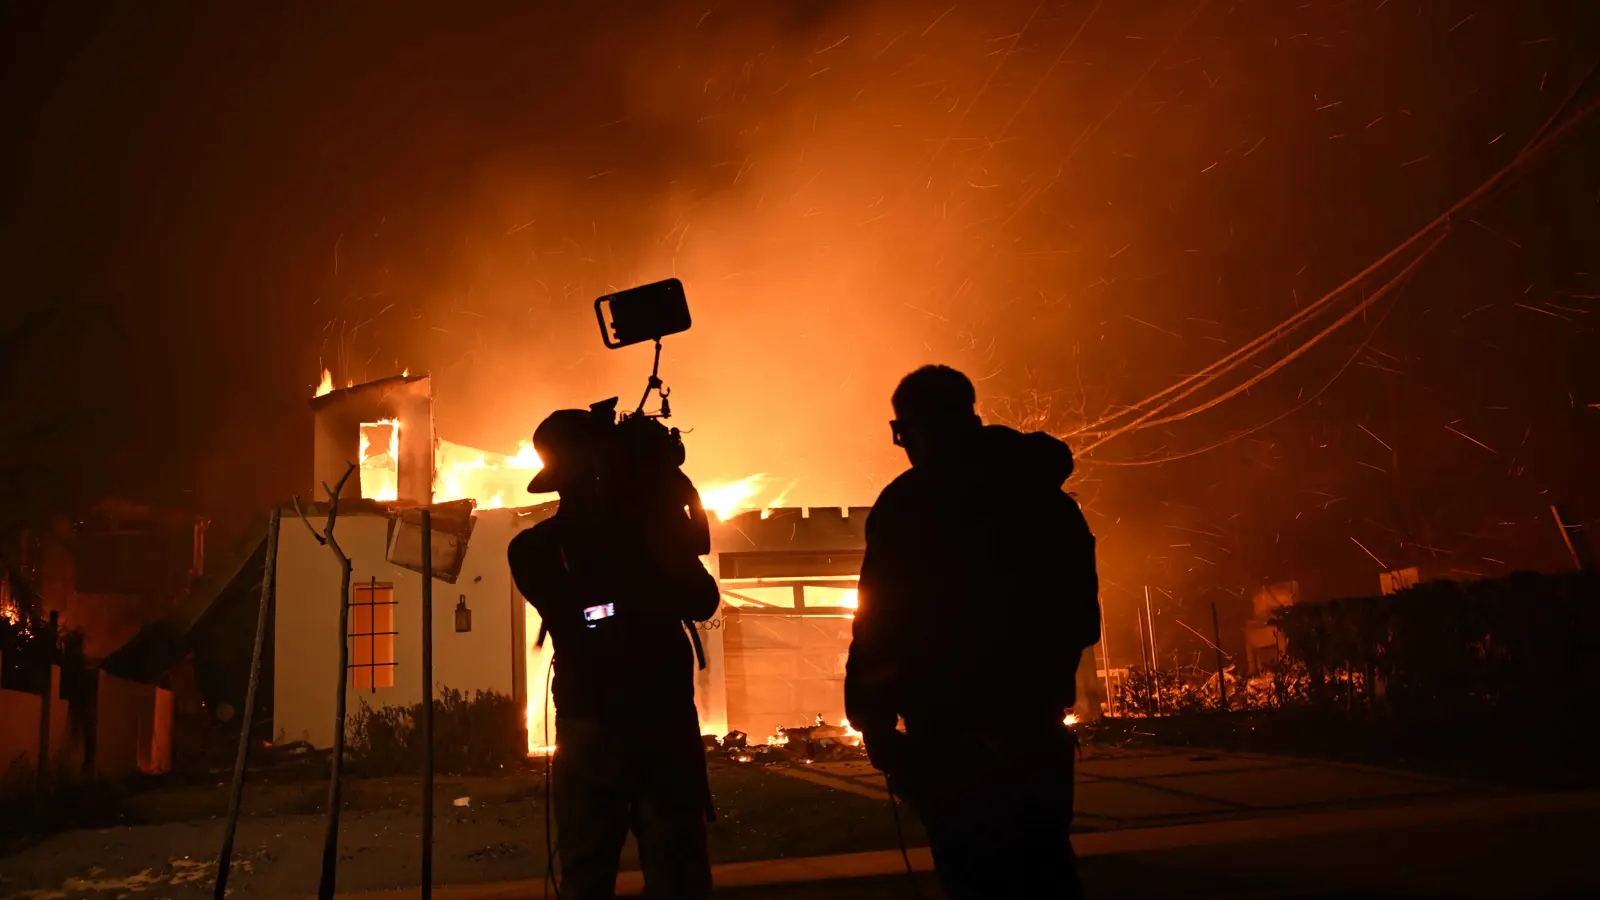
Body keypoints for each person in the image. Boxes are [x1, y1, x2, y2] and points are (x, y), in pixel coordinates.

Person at [845, 364, 1100, 899]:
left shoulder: (908, 506)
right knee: (1047, 869)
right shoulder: (1043, 494)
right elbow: (1080, 613)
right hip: (1034, 725)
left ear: (912, 428)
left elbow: (879, 624)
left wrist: (874, 721)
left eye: (901, 433)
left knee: (972, 876)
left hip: (947, 738)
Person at [508, 406, 720, 900]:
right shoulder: (545, 548)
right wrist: (653, 520)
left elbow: (701, 599)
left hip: (599, 730)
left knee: (593, 875)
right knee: (674, 877)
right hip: (646, 730)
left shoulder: (538, 547)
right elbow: (694, 599)